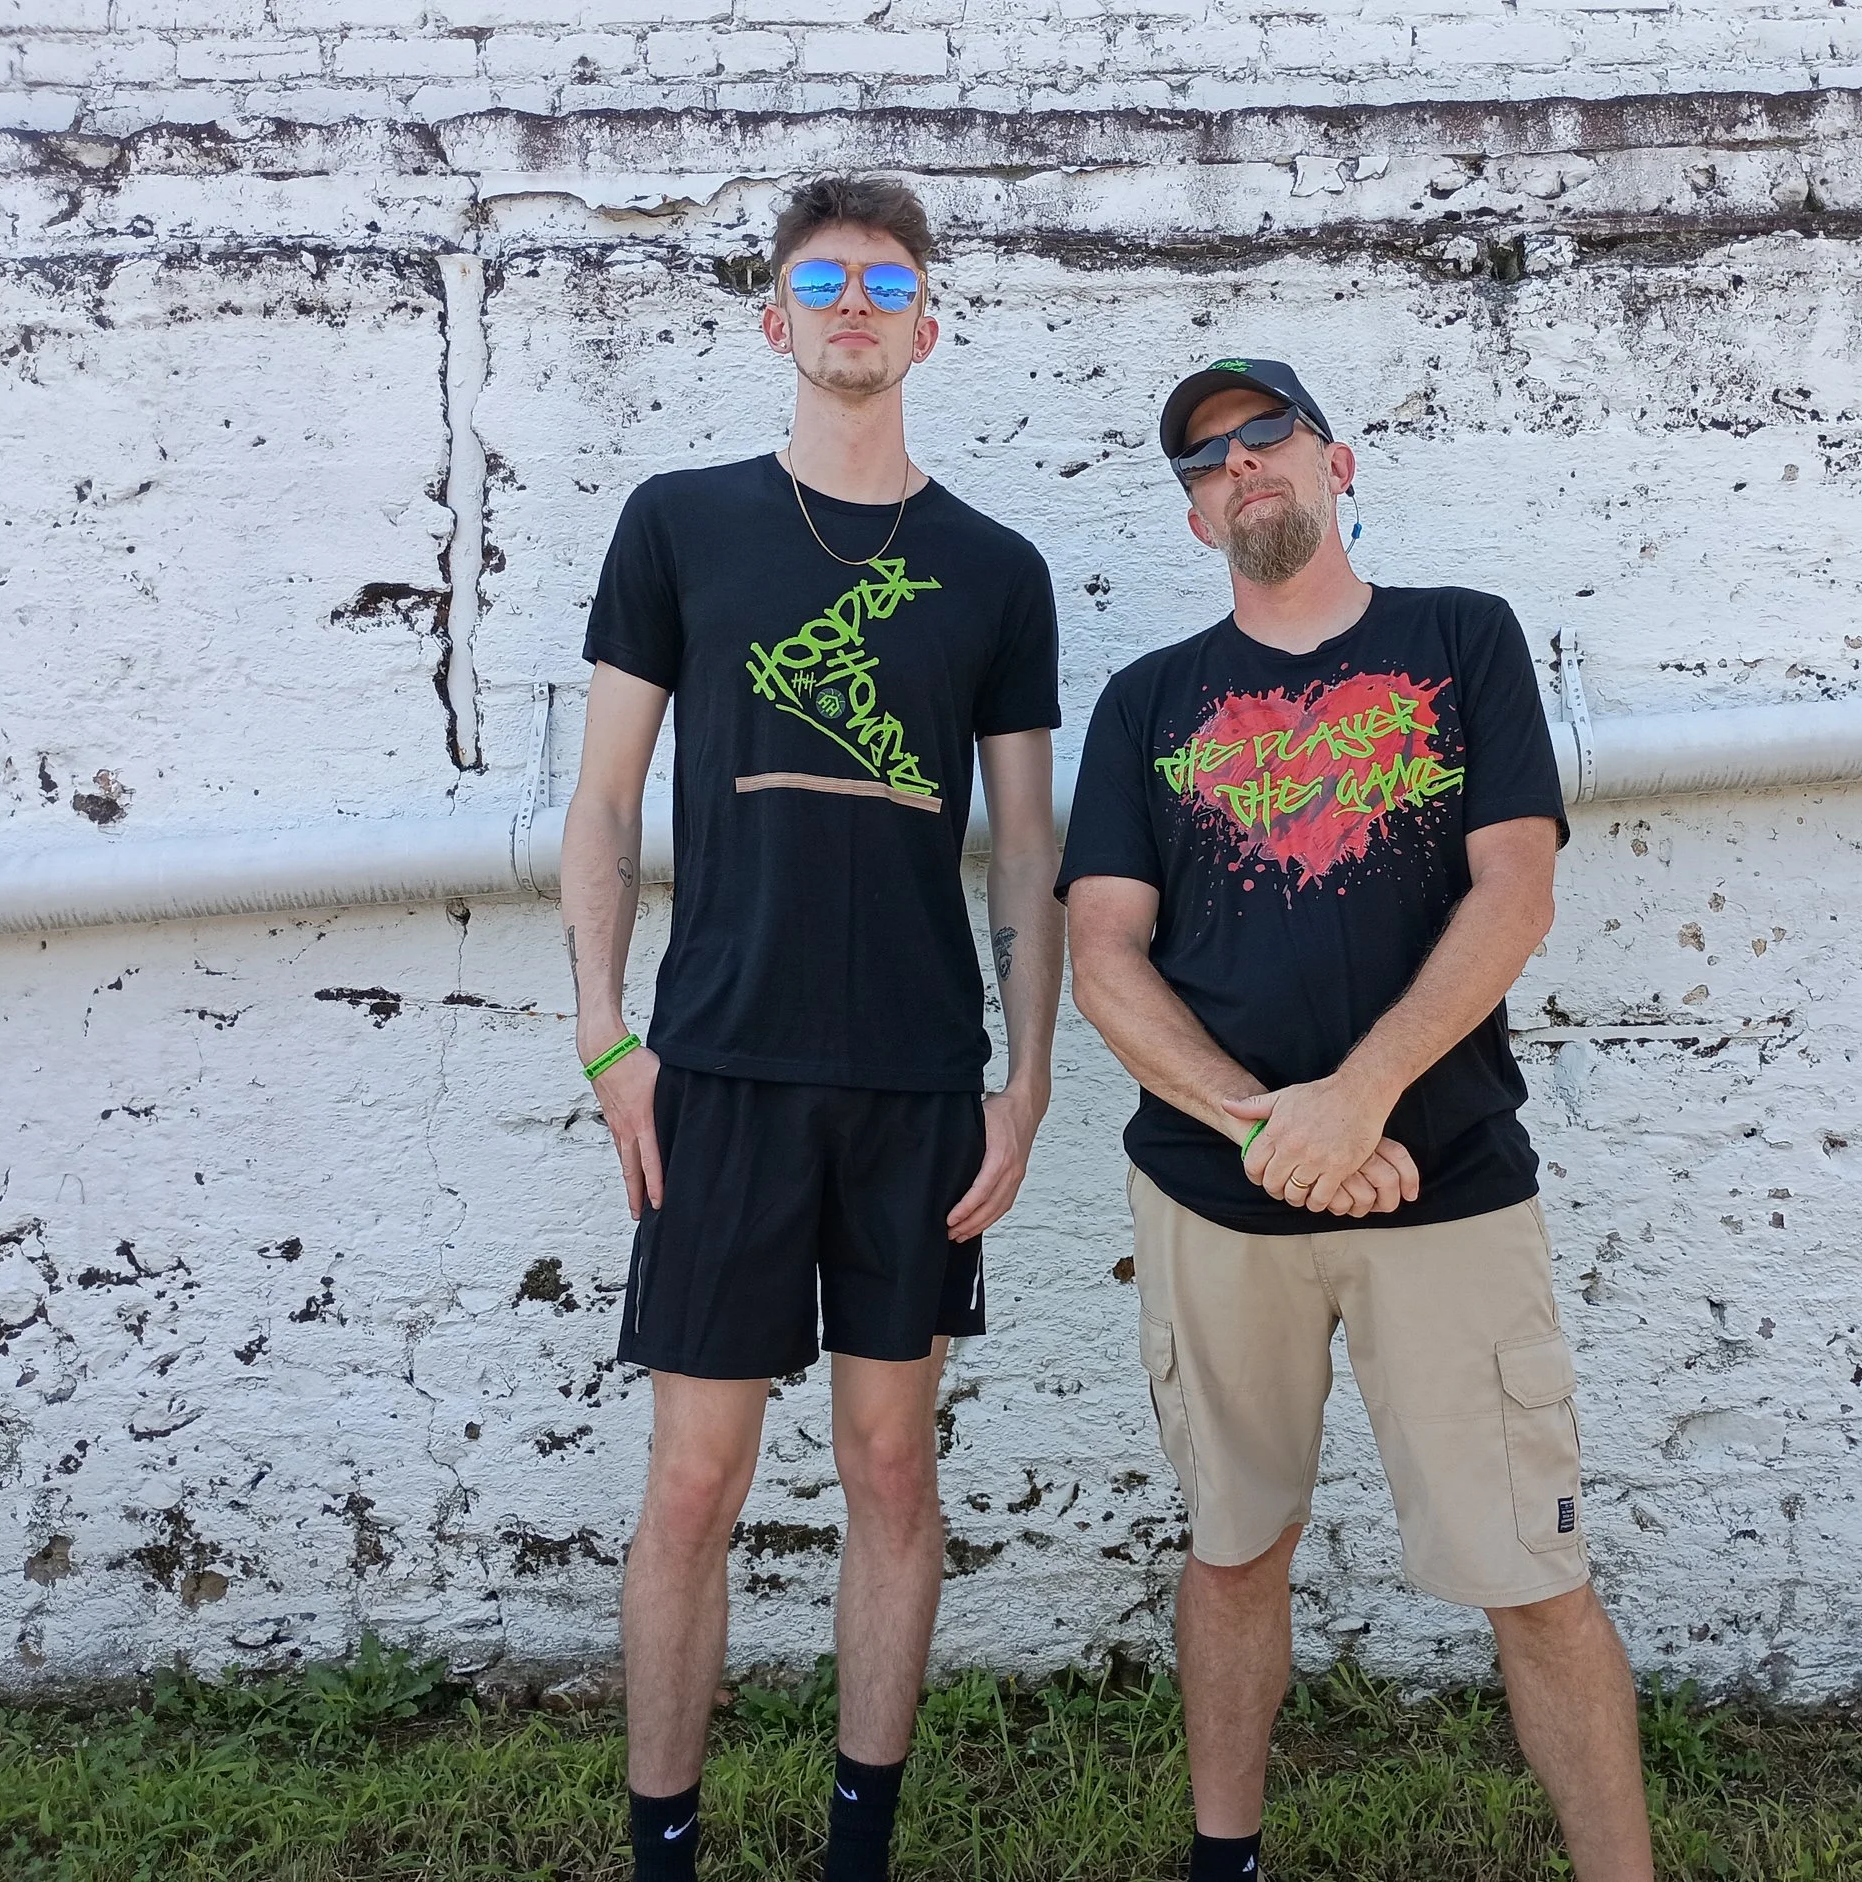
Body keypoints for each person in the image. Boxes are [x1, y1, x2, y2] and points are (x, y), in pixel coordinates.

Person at [1059, 358, 1654, 1881]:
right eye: (1208, 457)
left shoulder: (1462, 639)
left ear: (1337, 459)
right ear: (1196, 516)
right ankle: (1223, 1858)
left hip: (1442, 1183)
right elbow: (1102, 954)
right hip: (1213, 1195)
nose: (1244, 464)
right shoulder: (1145, 703)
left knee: (1535, 1567)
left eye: (1269, 435)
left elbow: (1514, 889)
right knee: (1235, 1548)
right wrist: (1270, 1129)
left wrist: (1362, 1094)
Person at [558, 175, 1063, 1882]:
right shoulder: (680, 523)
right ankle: (666, 1848)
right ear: (778, 319)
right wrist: (606, 1034)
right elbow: (604, 802)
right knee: (694, 1481)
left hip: (919, 1083)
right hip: (721, 1070)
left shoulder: (998, 567)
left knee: (889, 1465)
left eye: (888, 280)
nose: (857, 303)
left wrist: (1028, 1076)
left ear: (930, 321)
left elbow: (1030, 846)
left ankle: (863, 1844)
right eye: (824, 279)